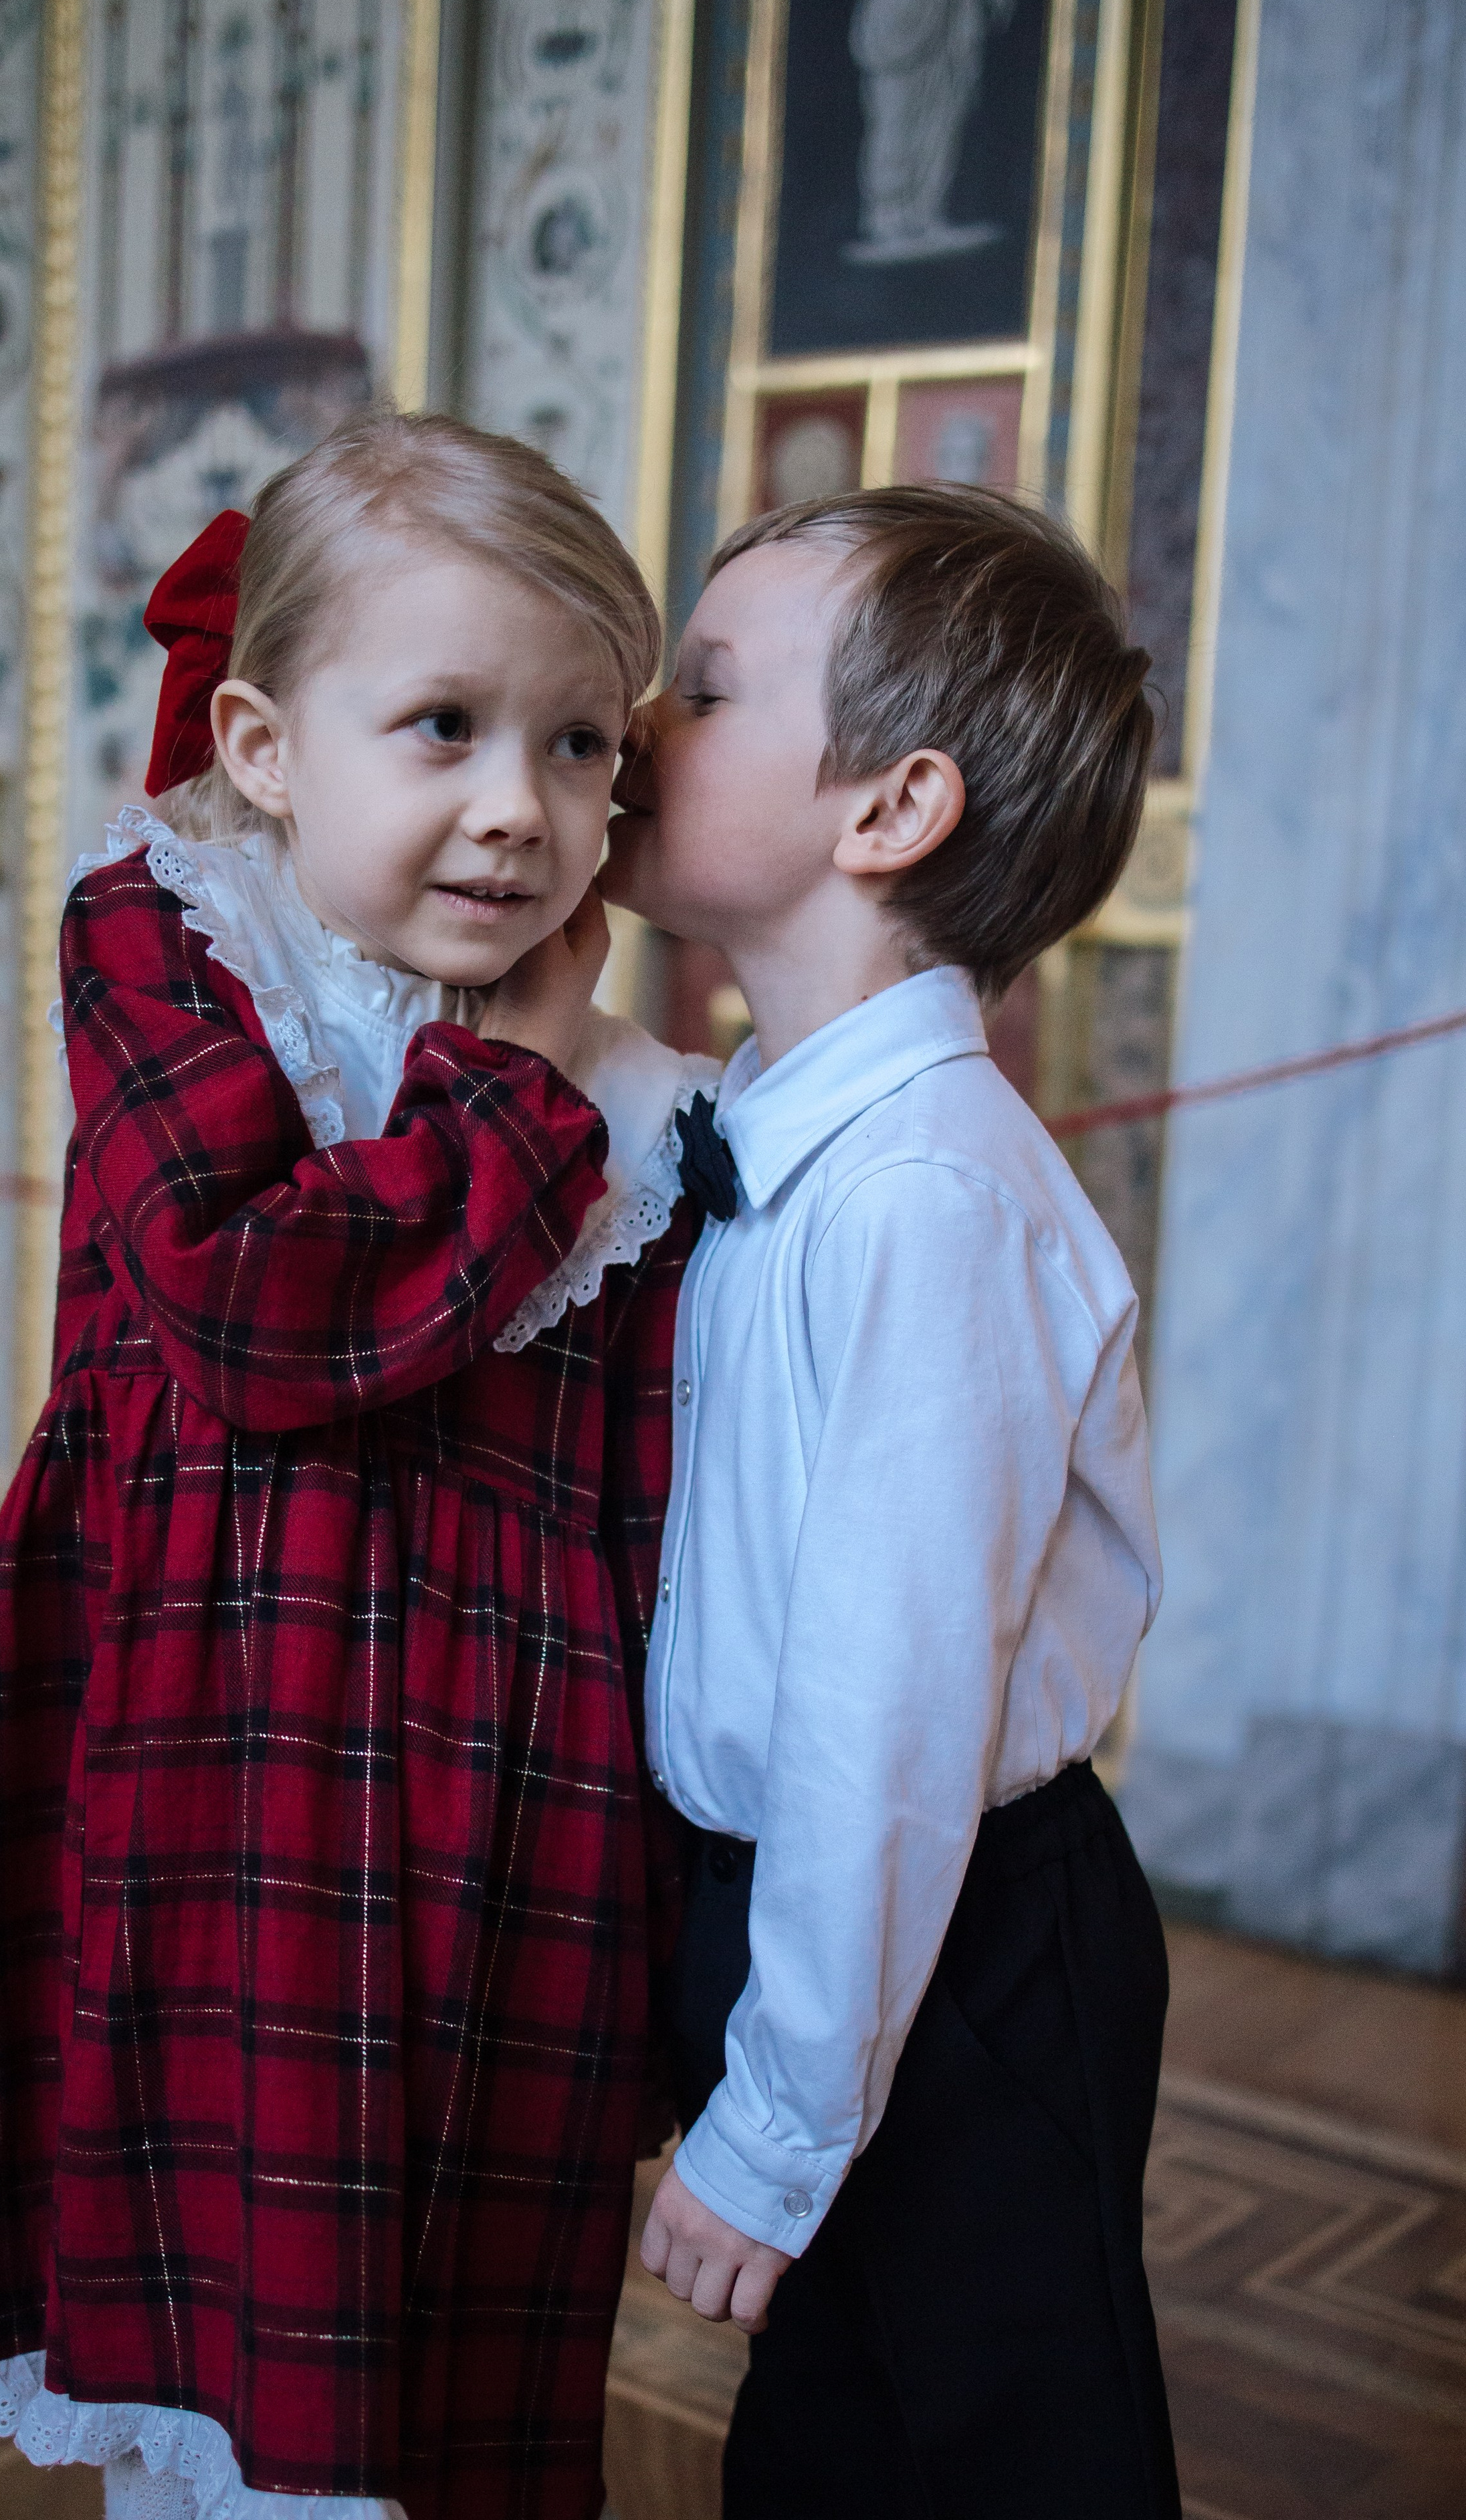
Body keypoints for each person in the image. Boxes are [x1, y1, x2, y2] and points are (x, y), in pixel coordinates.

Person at [0, 411, 717, 2520]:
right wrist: (512, 1096)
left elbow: (649, 1511)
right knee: (221, 2337)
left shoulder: (646, 1105)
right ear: (271, 747)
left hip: (512, 1808)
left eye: (579, 747)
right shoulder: (171, 944)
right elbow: (261, 1313)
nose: (516, 811)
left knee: (456, 2368)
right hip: (216, 1765)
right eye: (445, 727)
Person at [603, 483, 1183, 2518]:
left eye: (707, 686)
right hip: (811, 1917)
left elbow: (886, 1710)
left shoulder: (928, 1192)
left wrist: (771, 2130)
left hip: (959, 1942)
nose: (642, 716)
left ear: (891, 809)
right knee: (838, 2452)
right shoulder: (771, 1122)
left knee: (1014, 2455)